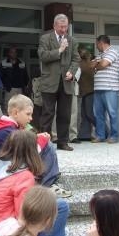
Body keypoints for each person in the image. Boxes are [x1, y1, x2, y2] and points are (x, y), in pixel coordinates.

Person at [0, 94, 70, 197]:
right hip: (6, 169)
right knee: (48, 146)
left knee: (44, 143)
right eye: (28, 114)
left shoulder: (6, 127)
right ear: (16, 113)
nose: (31, 118)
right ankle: (48, 185)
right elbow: (30, 150)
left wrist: (36, 137)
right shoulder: (9, 131)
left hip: (6, 166)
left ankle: (46, 182)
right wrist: (42, 140)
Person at [38, 14, 79, 151]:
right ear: (54, 26)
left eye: (65, 27)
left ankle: (63, 142)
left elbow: (76, 59)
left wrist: (72, 72)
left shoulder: (72, 40)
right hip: (49, 82)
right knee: (47, 113)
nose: (63, 30)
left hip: (66, 83)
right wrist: (60, 50)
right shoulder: (45, 38)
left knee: (65, 114)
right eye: (61, 27)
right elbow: (43, 56)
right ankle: (44, 143)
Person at [90, 34, 119, 144]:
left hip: (110, 88)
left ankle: (114, 136)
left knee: (112, 113)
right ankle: (100, 136)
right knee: (98, 114)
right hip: (98, 88)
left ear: (101, 43)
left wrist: (97, 65)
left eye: (97, 44)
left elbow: (103, 64)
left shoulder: (113, 51)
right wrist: (98, 64)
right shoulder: (100, 54)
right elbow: (91, 65)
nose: (96, 46)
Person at [77, 47, 95, 141]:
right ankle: (84, 135)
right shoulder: (87, 63)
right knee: (85, 114)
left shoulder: (84, 64)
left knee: (89, 113)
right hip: (86, 92)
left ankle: (103, 131)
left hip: (89, 92)